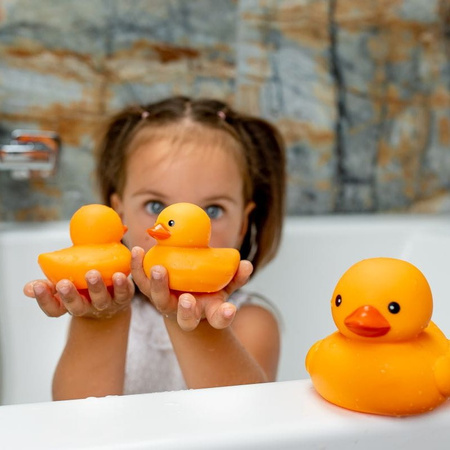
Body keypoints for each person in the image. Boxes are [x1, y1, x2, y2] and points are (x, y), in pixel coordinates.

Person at [23, 96, 286, 400]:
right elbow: (77, 425)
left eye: (212, 210)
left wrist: (193, 322)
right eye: (155, 205)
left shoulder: (249, 320)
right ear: (118, 214)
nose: (181, 232)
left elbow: (248, 427)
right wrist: (101, 321)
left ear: (243, 224)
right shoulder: (100, 306)